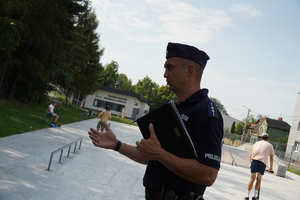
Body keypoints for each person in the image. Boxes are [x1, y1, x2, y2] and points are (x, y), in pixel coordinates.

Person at [88, 42, 223, 200]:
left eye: (169, 67)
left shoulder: (206, 113)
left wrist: (160, 155)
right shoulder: (175, 109)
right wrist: (117, 144)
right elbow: (153, 157)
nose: (165, 74)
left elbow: (208, 175)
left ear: (189, 70)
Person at [244, 133, 275, 200]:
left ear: (261, 138)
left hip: (254, 160)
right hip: (263, 162)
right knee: (259, 179)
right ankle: (255, 196)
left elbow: (251, 154)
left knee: (252, 178)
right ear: (268, 139)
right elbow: (271, 157)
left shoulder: (256, 143)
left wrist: (251, 163)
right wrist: (271, 168)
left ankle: (247, 195)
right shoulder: (269, 145)